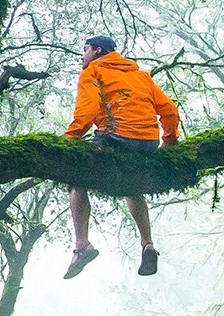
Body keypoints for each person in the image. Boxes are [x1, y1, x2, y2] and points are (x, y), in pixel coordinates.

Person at [63, 35, 180, 279]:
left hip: (116, 139)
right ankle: (148, 244)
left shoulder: (92, 72)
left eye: (84, 50)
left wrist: (67, 143)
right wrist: (169, 140)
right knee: (131, 186)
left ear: (97, 50)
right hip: (148, 144)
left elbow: (87, 111)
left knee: (75, 177)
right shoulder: (141, 76)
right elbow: (169, 110)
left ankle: (82, 245)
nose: (81, 56)